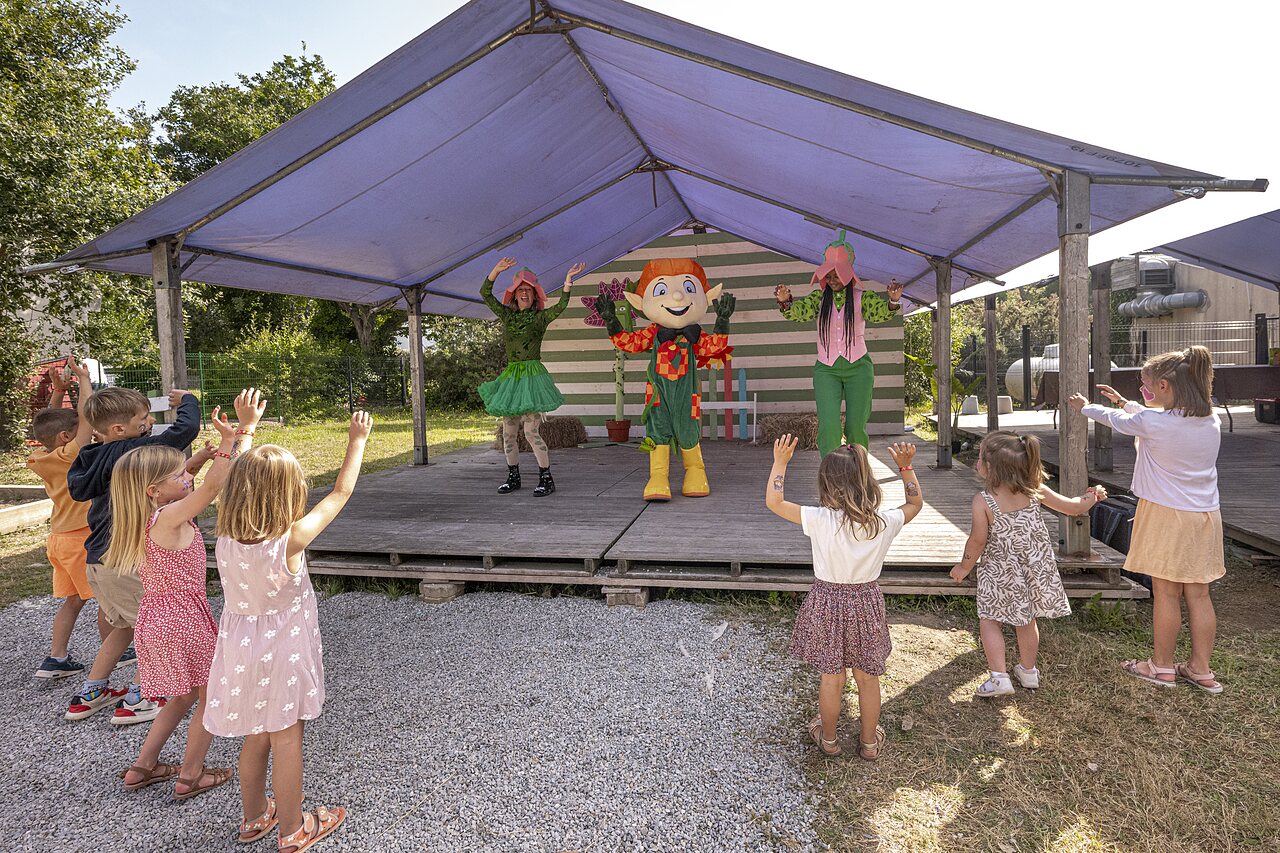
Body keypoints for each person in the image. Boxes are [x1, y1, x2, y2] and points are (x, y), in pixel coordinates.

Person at [207, 411, 372, 851]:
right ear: (290, 493)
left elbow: (235, 480)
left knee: (254, 736)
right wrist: (356, 439)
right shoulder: (292, 539)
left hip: (240, 651)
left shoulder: (223, 537)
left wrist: (246, 430)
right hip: (283, 652)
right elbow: (341, 492)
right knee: (287, 738)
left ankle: (254, 817)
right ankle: (293, 830)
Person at [108, 389, 263, 797]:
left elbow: (195, 476)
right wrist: (237, 436)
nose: (188, 477)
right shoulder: (170, 519)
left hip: (157, 621)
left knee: (178, 699)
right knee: (210, 698)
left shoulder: (145, 516)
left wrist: (205, 456)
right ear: (154, 491)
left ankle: (143, 767)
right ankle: (191, 774)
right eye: (179, 477)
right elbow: (211, 488)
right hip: (184, 623)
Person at [1070, 346, 1225, 694]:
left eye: (1148, 387)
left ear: (1167, 387)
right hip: (1205, 516)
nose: (1145, 393)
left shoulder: (1153, 423)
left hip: (1165, 514)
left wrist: (1085, 407)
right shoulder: (1209, 420)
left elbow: (1123, 422)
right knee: (1199, 595)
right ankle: (1201, 669)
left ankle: (1161, 666)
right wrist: (1127, 401)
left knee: (1166, 592)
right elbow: (1148, 417)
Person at [766, 435, 922, 760]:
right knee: (867, 677)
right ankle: (868, 743)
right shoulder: (883, 522)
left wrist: (780, 463)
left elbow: (775, 503)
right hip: (866, 603)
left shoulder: (821, 520)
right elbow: (915, 503)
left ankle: (830, 739)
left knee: (831, 678)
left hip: (827, 602)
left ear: (826, 483)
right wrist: (906, 468)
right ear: (869, 482)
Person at [65, 385, 201, 723]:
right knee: (149, 628)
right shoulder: (133, 451)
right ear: (118, 429)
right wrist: (188, 401)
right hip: (127, 559)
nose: (148, 424)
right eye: (143, 419)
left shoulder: (89, 457)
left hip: (98, 560)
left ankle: (92, 692)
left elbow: (79, 489)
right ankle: (142, 696)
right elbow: (185, 430)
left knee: (123, 627)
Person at [949, 431, 1105, 697]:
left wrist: (964, 567)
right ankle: (1029, 672)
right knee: (1027, 619)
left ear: (991, 468)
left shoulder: (984, 501)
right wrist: (1092, 496)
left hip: (999, 572)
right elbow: (1072, 507)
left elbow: (977, 540)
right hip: (1033, 570)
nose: (976, 462)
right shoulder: (1035, 489)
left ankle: (999, 677)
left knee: (990, 620)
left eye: (980, 458)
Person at [593, 258, 735, 501]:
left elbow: (715, 347)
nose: (678, 297)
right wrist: (611, 322)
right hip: (658, 395)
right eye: (662, 290)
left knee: (688, 430)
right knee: (658, 431)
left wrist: (722, 321)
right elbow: (628, 342)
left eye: (688, 288)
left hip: (686, 395)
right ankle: (658, 476)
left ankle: (695, 471)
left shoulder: (695, 334)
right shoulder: (653, 333)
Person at [774, 231, 903, 455]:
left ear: (848, 275)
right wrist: (786, 302)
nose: (832, 281)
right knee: (829, 426)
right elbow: (800, 312)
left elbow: (881, 312)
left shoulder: (863, 296)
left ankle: (857, 471)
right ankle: (830, 472)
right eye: (828, 276)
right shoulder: (819, 298)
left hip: (859, 367)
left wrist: (892, 301)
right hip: (826, 369)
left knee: (856, 427)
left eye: (837, 275)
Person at [479, 257, 585, 497]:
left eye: (528, 290)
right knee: (508, 432)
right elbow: (485, 293)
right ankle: (513, 476)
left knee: (530, 431)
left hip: (532, 379)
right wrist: (496, 270)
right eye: (520, 290)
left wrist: (568, 282)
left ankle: (546, 479)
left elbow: (561, 307)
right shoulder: (508, 316)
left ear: (534, 295)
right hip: (512, 379)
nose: (524, 294)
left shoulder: (540, 317)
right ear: (515, 295)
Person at [26, 356, 99, 679]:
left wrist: (58, 391)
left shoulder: (40, 457)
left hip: (58, 539)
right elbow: (84, 418)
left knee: (73, 601)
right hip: (81, 536)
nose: (90, 434)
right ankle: (117, 649)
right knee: (106, 598)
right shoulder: (71, 455)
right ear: (66, 439)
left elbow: (47, 423)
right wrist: (83, 381)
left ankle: (56, 658)